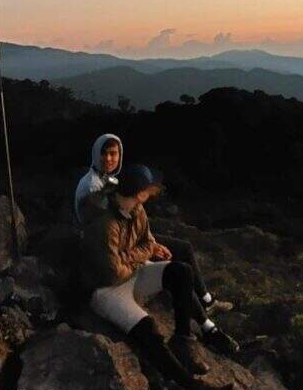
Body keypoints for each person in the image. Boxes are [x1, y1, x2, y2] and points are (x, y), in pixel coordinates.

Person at [81, 164, 238, 390]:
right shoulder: (105, 223)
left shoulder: (136, 210)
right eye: (148, 188)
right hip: (106, 289)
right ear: (139, 191)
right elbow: (113, 272)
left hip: (130, 272)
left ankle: (183, 341)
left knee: (181, 271)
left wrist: (134, 254)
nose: (152, 192)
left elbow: (149, 241)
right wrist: (141, 254)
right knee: (147, 330)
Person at [73, 133, 232, 317]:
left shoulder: (112, 180)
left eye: (113, 154)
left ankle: (206, 301)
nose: (108, 159)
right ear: (95, 154)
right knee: (178, 259)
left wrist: (148, 242)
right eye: (104, 154)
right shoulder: (92, 185)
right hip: (111, 248)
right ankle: (202, 313)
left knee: (182, 248)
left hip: (125, 239)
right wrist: (148, 248)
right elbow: (104, 227)